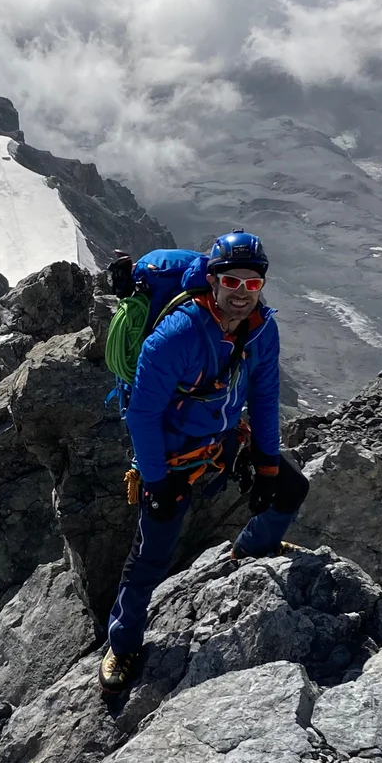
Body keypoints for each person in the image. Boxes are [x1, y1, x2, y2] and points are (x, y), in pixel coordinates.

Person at [99, 230, 310, 693]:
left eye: (251, 285)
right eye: (231, 282)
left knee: (291, 489)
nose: (241, 293)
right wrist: (156, 483)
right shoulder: (175, 336)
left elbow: (266, 396)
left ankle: (253, 548)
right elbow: (142, 415)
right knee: (150, 555)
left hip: (224, 435)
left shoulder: (261, 329)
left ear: (262, 287)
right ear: (212, 282)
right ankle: (122, 642)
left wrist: (269, 465)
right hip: (174, 453)